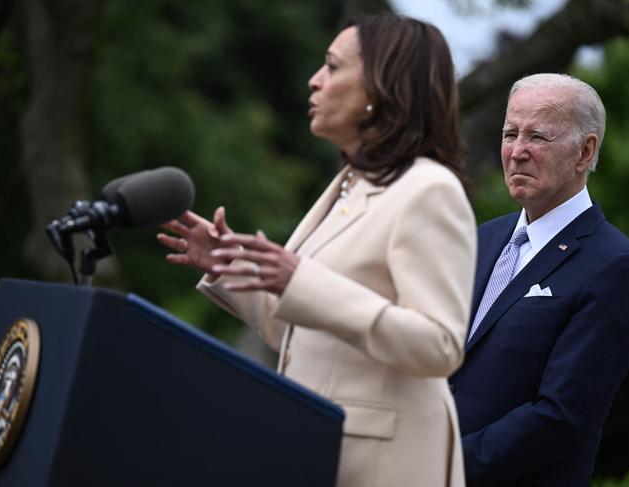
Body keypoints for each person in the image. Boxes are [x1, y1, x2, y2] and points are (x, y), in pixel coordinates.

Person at [158, 14, 476, 487]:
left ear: (380, 86)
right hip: (320, 448)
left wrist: (300, 280)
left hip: (385, 466)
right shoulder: (350, 184)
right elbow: (302, 335)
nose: (315, 79)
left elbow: (440, 345)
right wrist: (230, 266)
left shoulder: (428, 190)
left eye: (331, 66)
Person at [450, 73, 629, 486]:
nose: (516, 152)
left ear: (585, 152)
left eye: (538, 137)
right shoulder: (483, 239)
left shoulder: (613, 264)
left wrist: (448, 465)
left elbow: (563, 416)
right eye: (510, 133)